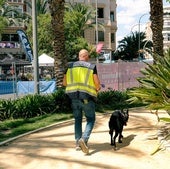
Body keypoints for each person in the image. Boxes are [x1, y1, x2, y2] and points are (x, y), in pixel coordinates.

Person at [63, 49, 101, 154]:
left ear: (79, 56)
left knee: (77, 119)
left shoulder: (70, 66)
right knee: (90, 119)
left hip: (73, 98)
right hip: (87, 98)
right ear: (87, 57)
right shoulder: (91, 67)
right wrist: (97, 88)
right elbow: (97, 83)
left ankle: (77, 144)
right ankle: (83, 140)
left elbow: (65, 83)